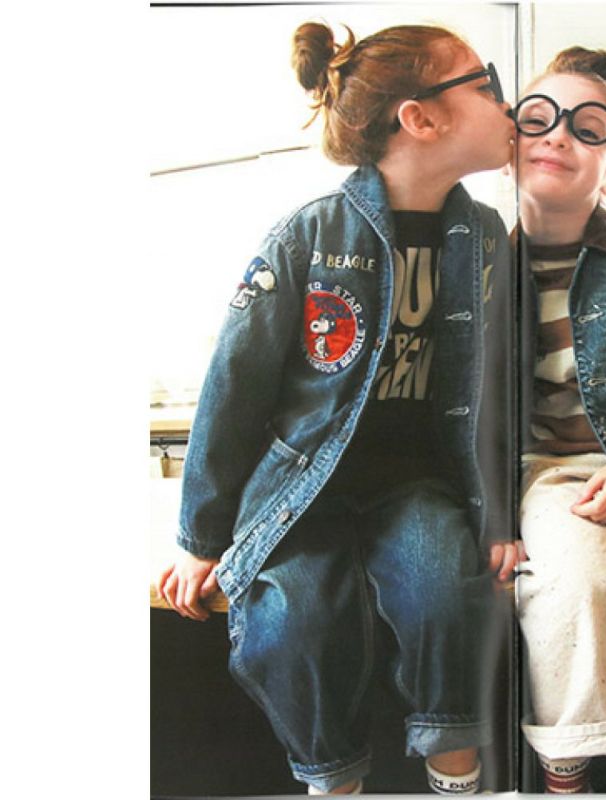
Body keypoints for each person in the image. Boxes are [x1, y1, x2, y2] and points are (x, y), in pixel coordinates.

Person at [158, 21, 519, 796]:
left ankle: (456, 773)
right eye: (486, 84)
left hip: (417, 484)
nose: (506, 103)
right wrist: (200, 538)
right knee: (296, 620)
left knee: (446, 594)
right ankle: (333, 782)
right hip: (303, 486)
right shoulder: (309, 236)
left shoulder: (486, 238)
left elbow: (494, 394)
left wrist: (499, 517)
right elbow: (233, 388)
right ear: (421, 118)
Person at [511, 47, 606, 794]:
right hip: (553, 473)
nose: (559, 135)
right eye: (538, 119)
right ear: (508, 144)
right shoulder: (479, 272)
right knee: (576, 589)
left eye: (587, 127)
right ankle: (566, 774)